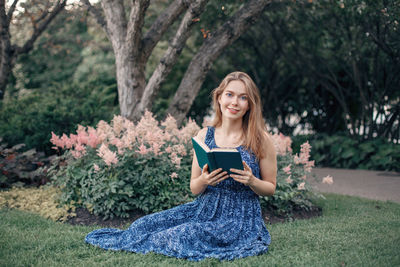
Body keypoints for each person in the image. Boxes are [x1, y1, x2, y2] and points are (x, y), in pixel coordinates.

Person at [85, 71, 277, 261]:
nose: (234, 102)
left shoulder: (260, 139)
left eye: (243, 98)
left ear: (250, 104)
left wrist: (252, 181)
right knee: (143, 225)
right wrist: (204, 180)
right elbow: (194, 188)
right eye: (230, 95)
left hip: (237, 220)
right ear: (219, 98)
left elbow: (270, 188)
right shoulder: (204, 136)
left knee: (176, 236)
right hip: (203, 210)